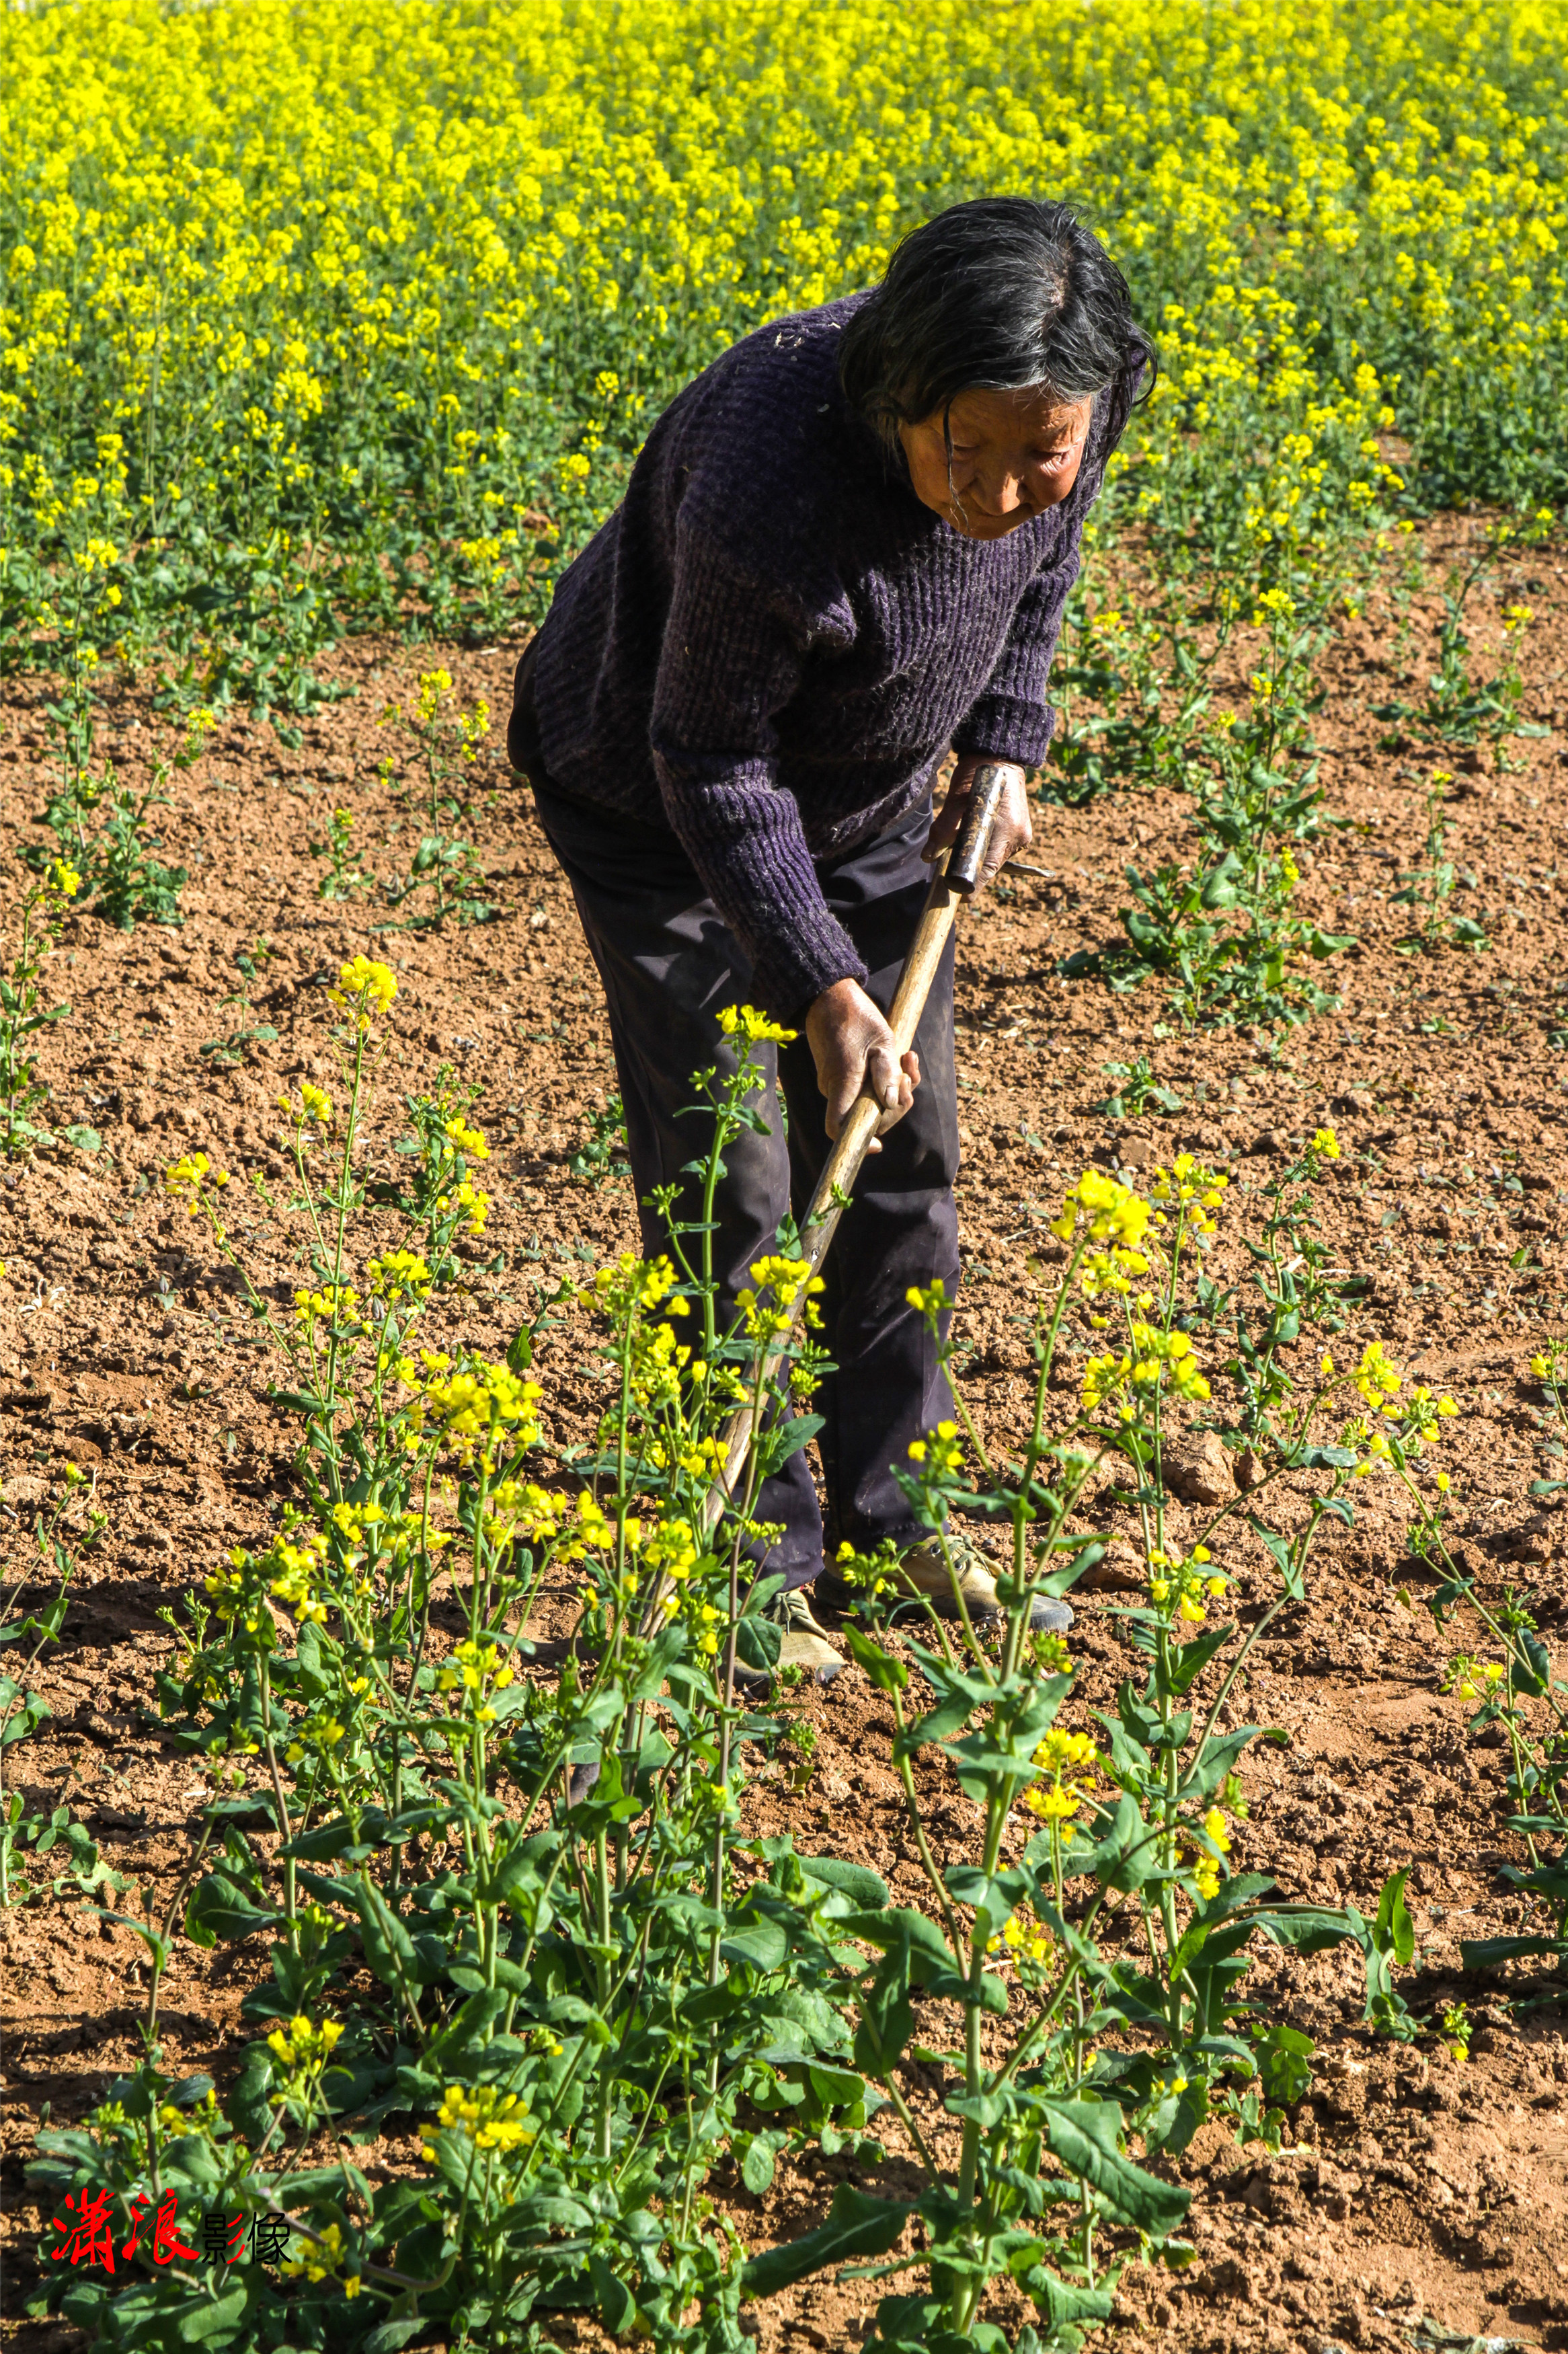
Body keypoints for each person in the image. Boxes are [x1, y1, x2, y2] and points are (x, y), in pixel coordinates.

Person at [508, 196, 1154, 1680]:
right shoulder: (767, 487)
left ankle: (896, 1516)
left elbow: (1037, 568)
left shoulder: (1068, 413)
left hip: (862, 806)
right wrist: (816, 984)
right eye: (960, 456)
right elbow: (711, 765)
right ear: (891, 399)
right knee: (733, 1175)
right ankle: (746, 1569)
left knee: (894, 1149)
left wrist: (1003, 735)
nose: (998, 494)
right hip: (659, 811)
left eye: (1037, 454)